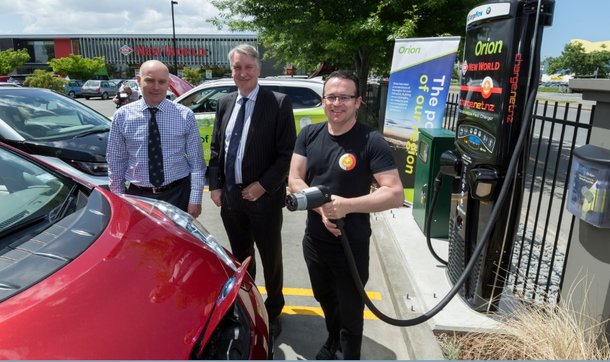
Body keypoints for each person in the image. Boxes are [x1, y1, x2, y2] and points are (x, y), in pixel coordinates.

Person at [288, 70, 404, 359]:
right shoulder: (309, 134)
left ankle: (349, 353)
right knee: (324, 297)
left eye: (344, 97)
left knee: (351, 308)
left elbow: (394, 192)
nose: (336, 103)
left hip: (351, 242)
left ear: (358, 102)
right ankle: (332, 340)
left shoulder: (370, 141)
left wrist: (347, 205)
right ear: (323, 100)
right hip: (314, 239)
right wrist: (321, 208)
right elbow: (294, 178)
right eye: (331, 97)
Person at [207, 44, 296, 338]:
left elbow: (286, 154)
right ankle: (249, 303)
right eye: (237, 67)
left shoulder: (278, 103)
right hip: (231, 199)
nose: (242, 73)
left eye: (248, 67)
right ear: (231, 70)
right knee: (241, 255)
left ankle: (274, 308)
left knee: (271, 256)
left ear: (258, 69)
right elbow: (218, 148)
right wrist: (216, 184)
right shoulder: (225, 102)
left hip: (265, 200)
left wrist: (263, 185)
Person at [107, 60, 205, 218]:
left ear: (168, 83)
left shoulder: (185, 115)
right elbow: (116, 160)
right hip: (138, 197)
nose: (156, 87)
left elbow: (197, 163)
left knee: (176, 242)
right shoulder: (122, 116)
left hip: (178, 195)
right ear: (139, 81)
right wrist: (119, 199)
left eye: (162, 81)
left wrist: (195, 199)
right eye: (150, 80)